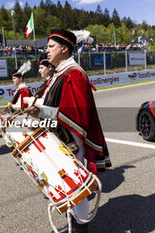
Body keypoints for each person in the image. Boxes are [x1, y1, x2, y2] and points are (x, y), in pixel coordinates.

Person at [26, 29, 111, 233]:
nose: (46, 50)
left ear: (64, 49)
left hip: (70, 142)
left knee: (74, 188)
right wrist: (37, 111)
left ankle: (80, 229)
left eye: (51, 46)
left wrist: (40, 109)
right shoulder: (61, 73)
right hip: (58, 138)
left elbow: (76, 116)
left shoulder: (74, 74)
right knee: (66, 188)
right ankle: (74, 224)